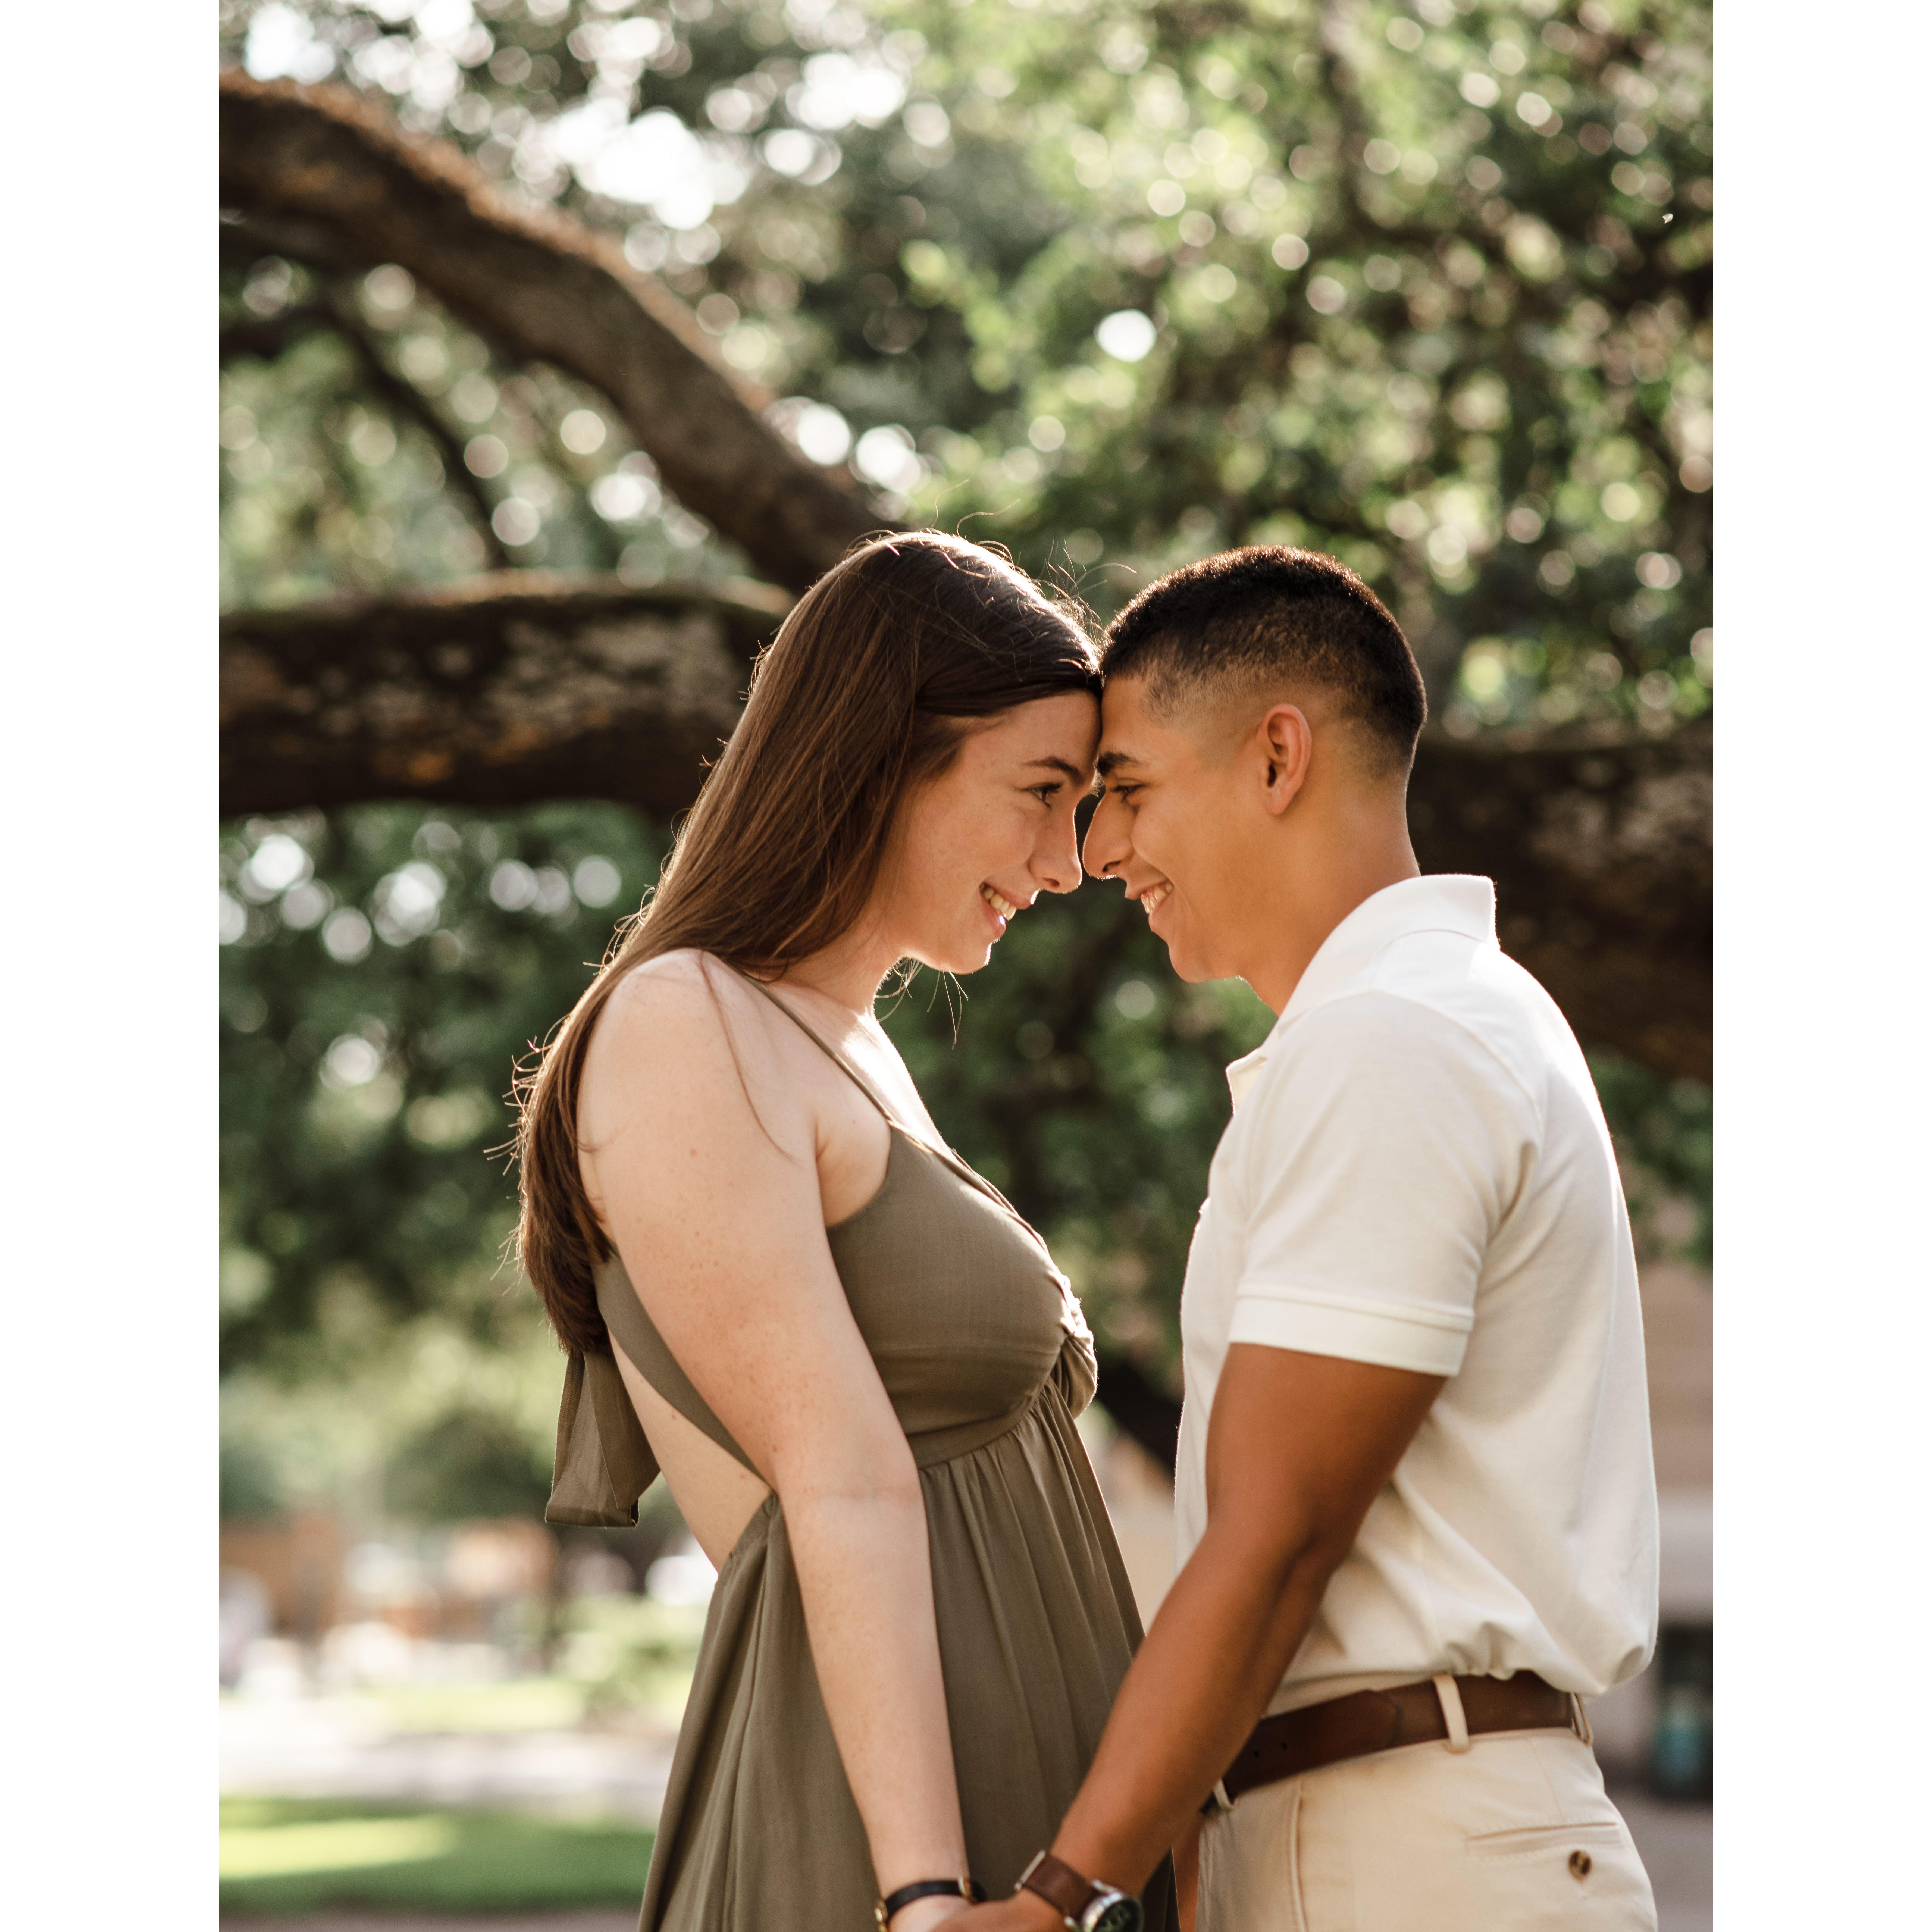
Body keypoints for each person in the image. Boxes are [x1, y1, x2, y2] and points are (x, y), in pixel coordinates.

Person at [951, 547, 1659, 1932]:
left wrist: (1056, 1898)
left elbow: (1279, 1537)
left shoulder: (1392, 1037)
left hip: (1420, 1858)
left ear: (1277, 755)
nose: (1098, 853)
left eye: (1130, 791)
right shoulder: (1412, 1022)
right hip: (1382, 1833)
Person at [513, 531, 1177, 1932]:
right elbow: (840, 1475)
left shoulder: (854, 1043)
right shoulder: (690, 1021)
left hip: (1038, 1838)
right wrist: (924, 1893)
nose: (1067, 863)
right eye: (1042, 794)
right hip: (888, 1837)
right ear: (886, 754)